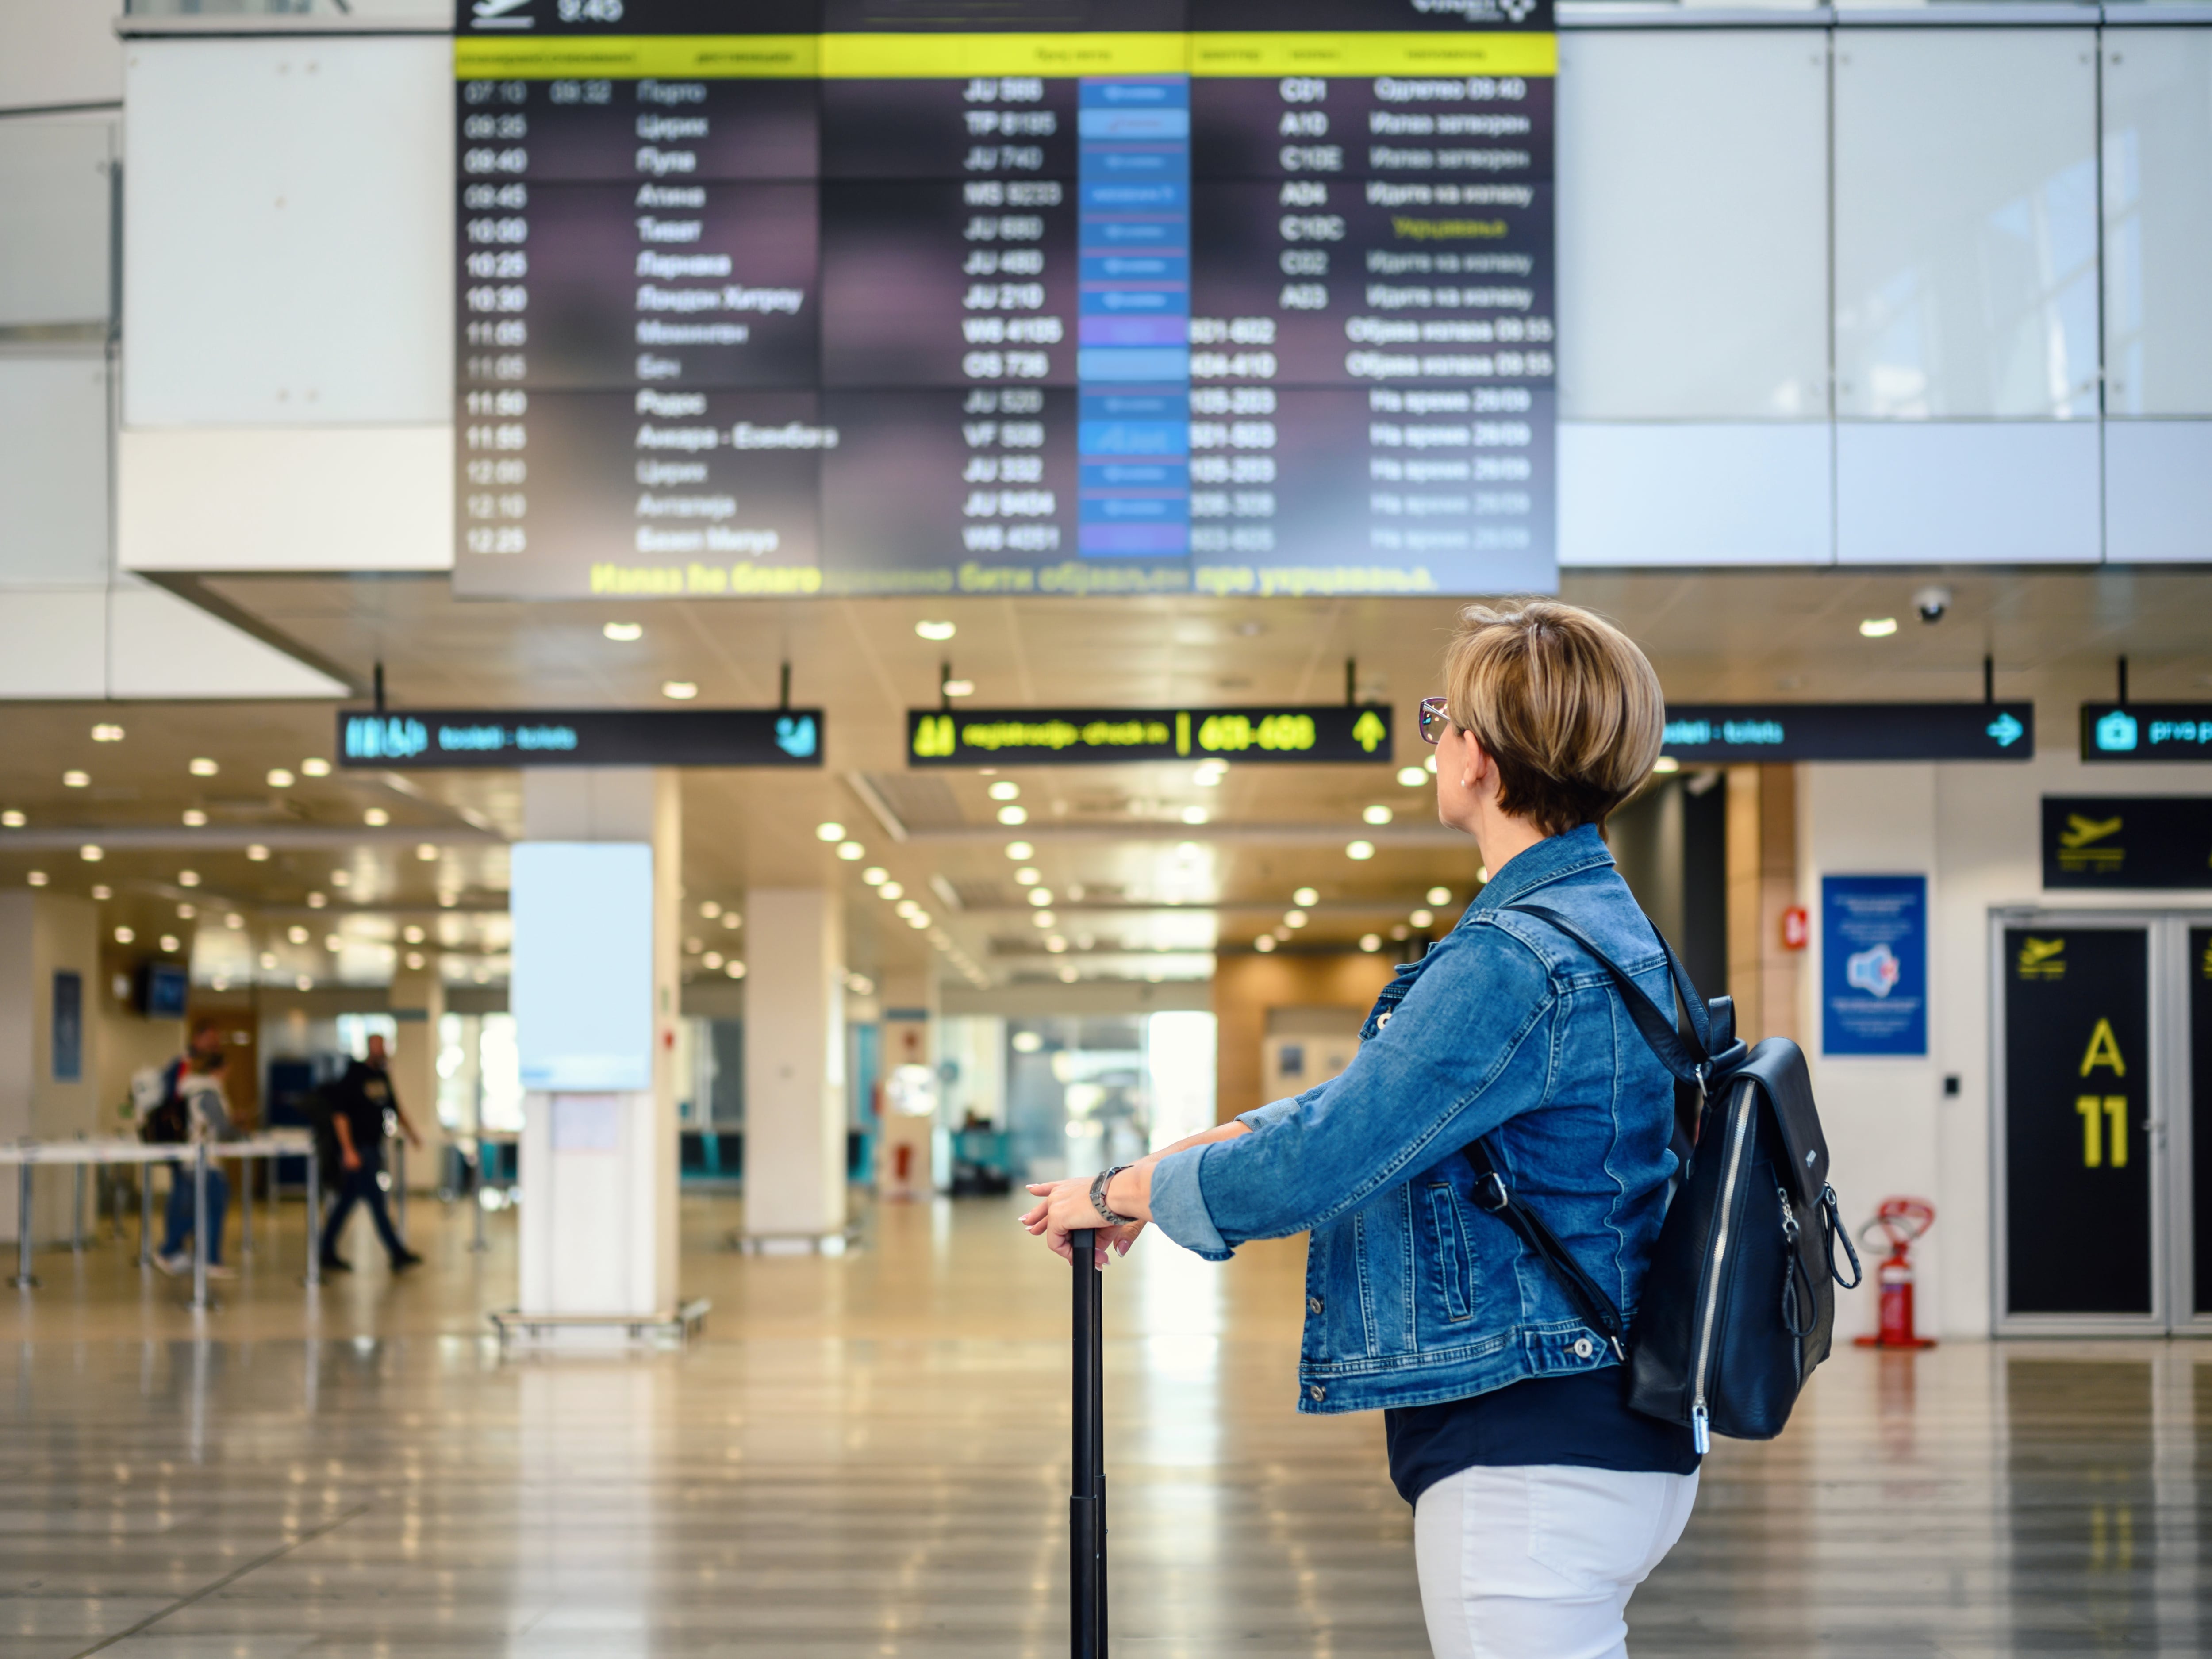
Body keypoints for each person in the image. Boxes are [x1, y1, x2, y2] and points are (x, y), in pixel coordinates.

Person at [1022, 599, 1697, 1659]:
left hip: (1530, 1447)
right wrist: (1153, 1171)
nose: (1432, 742)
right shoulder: (1605, 927)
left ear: (1478, 756)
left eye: (1440, 719)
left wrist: (1121, 1196)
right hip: (1605, 1425)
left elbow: (1327, 1158)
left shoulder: (1515, 955)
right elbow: (1365, 1109)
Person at [319, 1033, 425, 1273]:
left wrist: (413, 1135)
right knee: (377, 1202)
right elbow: (340, 1115)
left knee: (347, 1202)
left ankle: (325, 1249)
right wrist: (348, 1150)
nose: (381, 1051)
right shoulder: (354, 1075)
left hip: (373, 1148)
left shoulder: (382, 1076)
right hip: (358, 1150)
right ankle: (397, 1253)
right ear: (369, 1048)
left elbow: (396, 1109)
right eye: (376, 1047)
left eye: (383, 1047)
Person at [154, 1048, 240, 1279]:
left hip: (191, 1159)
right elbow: (221, 1128)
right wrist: (241, 1134)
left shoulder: (190, 1088)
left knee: (196, 1210)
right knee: (211, 1208)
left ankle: (177, 1252)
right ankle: (201, 1257)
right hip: (207, 1161)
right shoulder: (210, 1091)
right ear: (219, 1070)